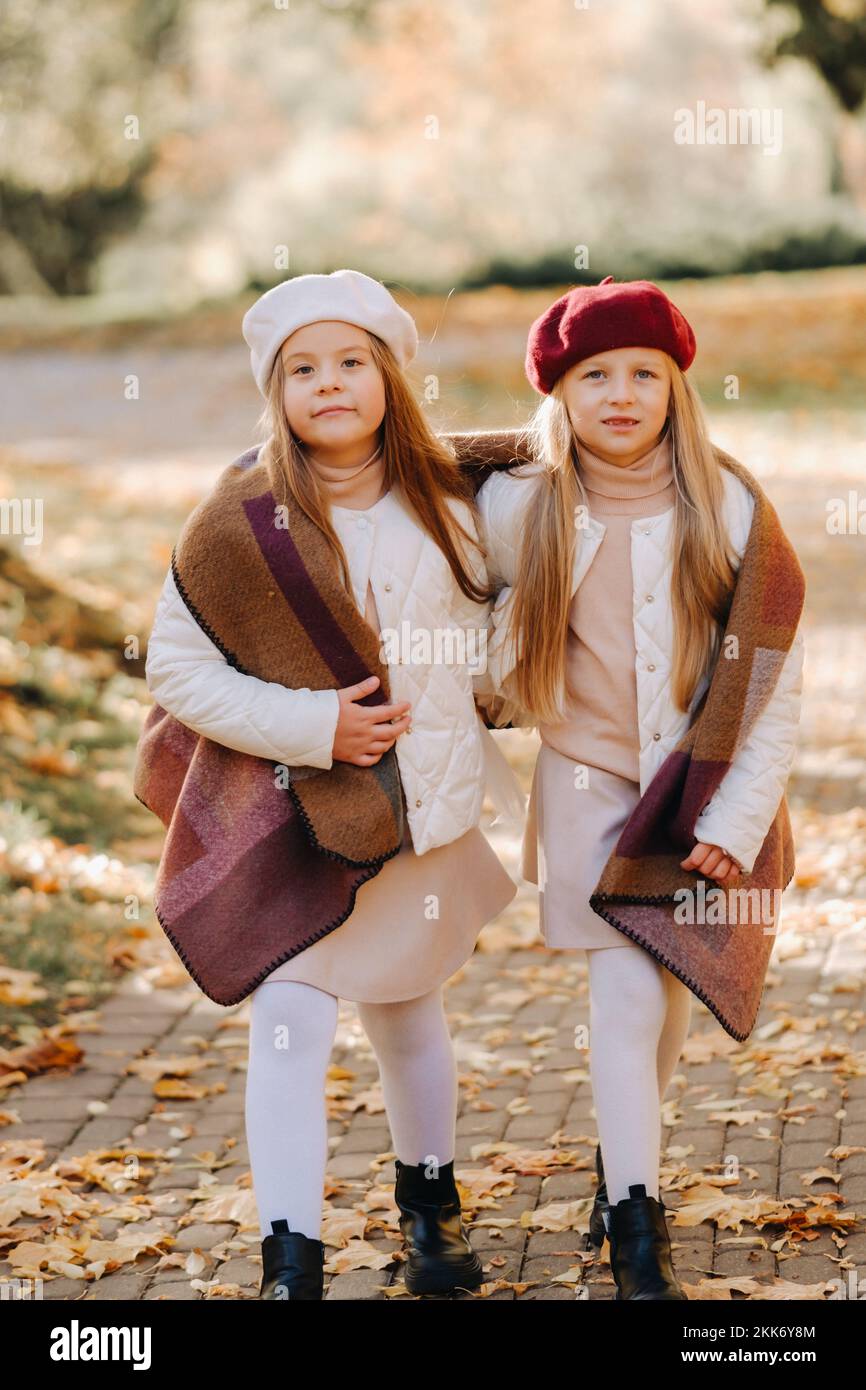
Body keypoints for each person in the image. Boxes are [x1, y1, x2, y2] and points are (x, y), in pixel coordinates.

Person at [138, 269, 525, 1299]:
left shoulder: (451, 500)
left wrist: (498, 686)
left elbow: (491, 627)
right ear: (276, 392)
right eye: (302, 368)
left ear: (391, 376)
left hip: (415, 818)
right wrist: (316, 725)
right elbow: (176, 669)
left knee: (406, 1015)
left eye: (352, 361)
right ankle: (289, 1255)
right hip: (299, 812)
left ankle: (429, 1205)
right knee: (290, 1018)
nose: (330, 383)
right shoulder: (238, 519)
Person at [473, 275, 805, 1300]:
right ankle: (634, 1225)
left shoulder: (725, 501)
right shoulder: (513, 501)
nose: (619, 394)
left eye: (643, 375)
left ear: (675, 386)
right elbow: (460, 626)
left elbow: (771, 677)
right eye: (593, 375)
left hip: (690, 784)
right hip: (581, 780)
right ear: (558, 393)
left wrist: (736, 816)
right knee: (620, 990)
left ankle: (628, 1170)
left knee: (658, 995)